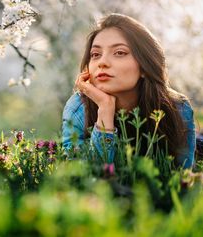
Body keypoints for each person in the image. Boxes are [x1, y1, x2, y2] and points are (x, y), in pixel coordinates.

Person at [62, 13, 195, 169]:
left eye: (119, 53)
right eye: (95, 54)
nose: (102, 62)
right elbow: (84, 180)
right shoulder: (78, 109)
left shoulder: (177, 108)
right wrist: (105, 110)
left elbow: (183, 181)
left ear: (144, 66)